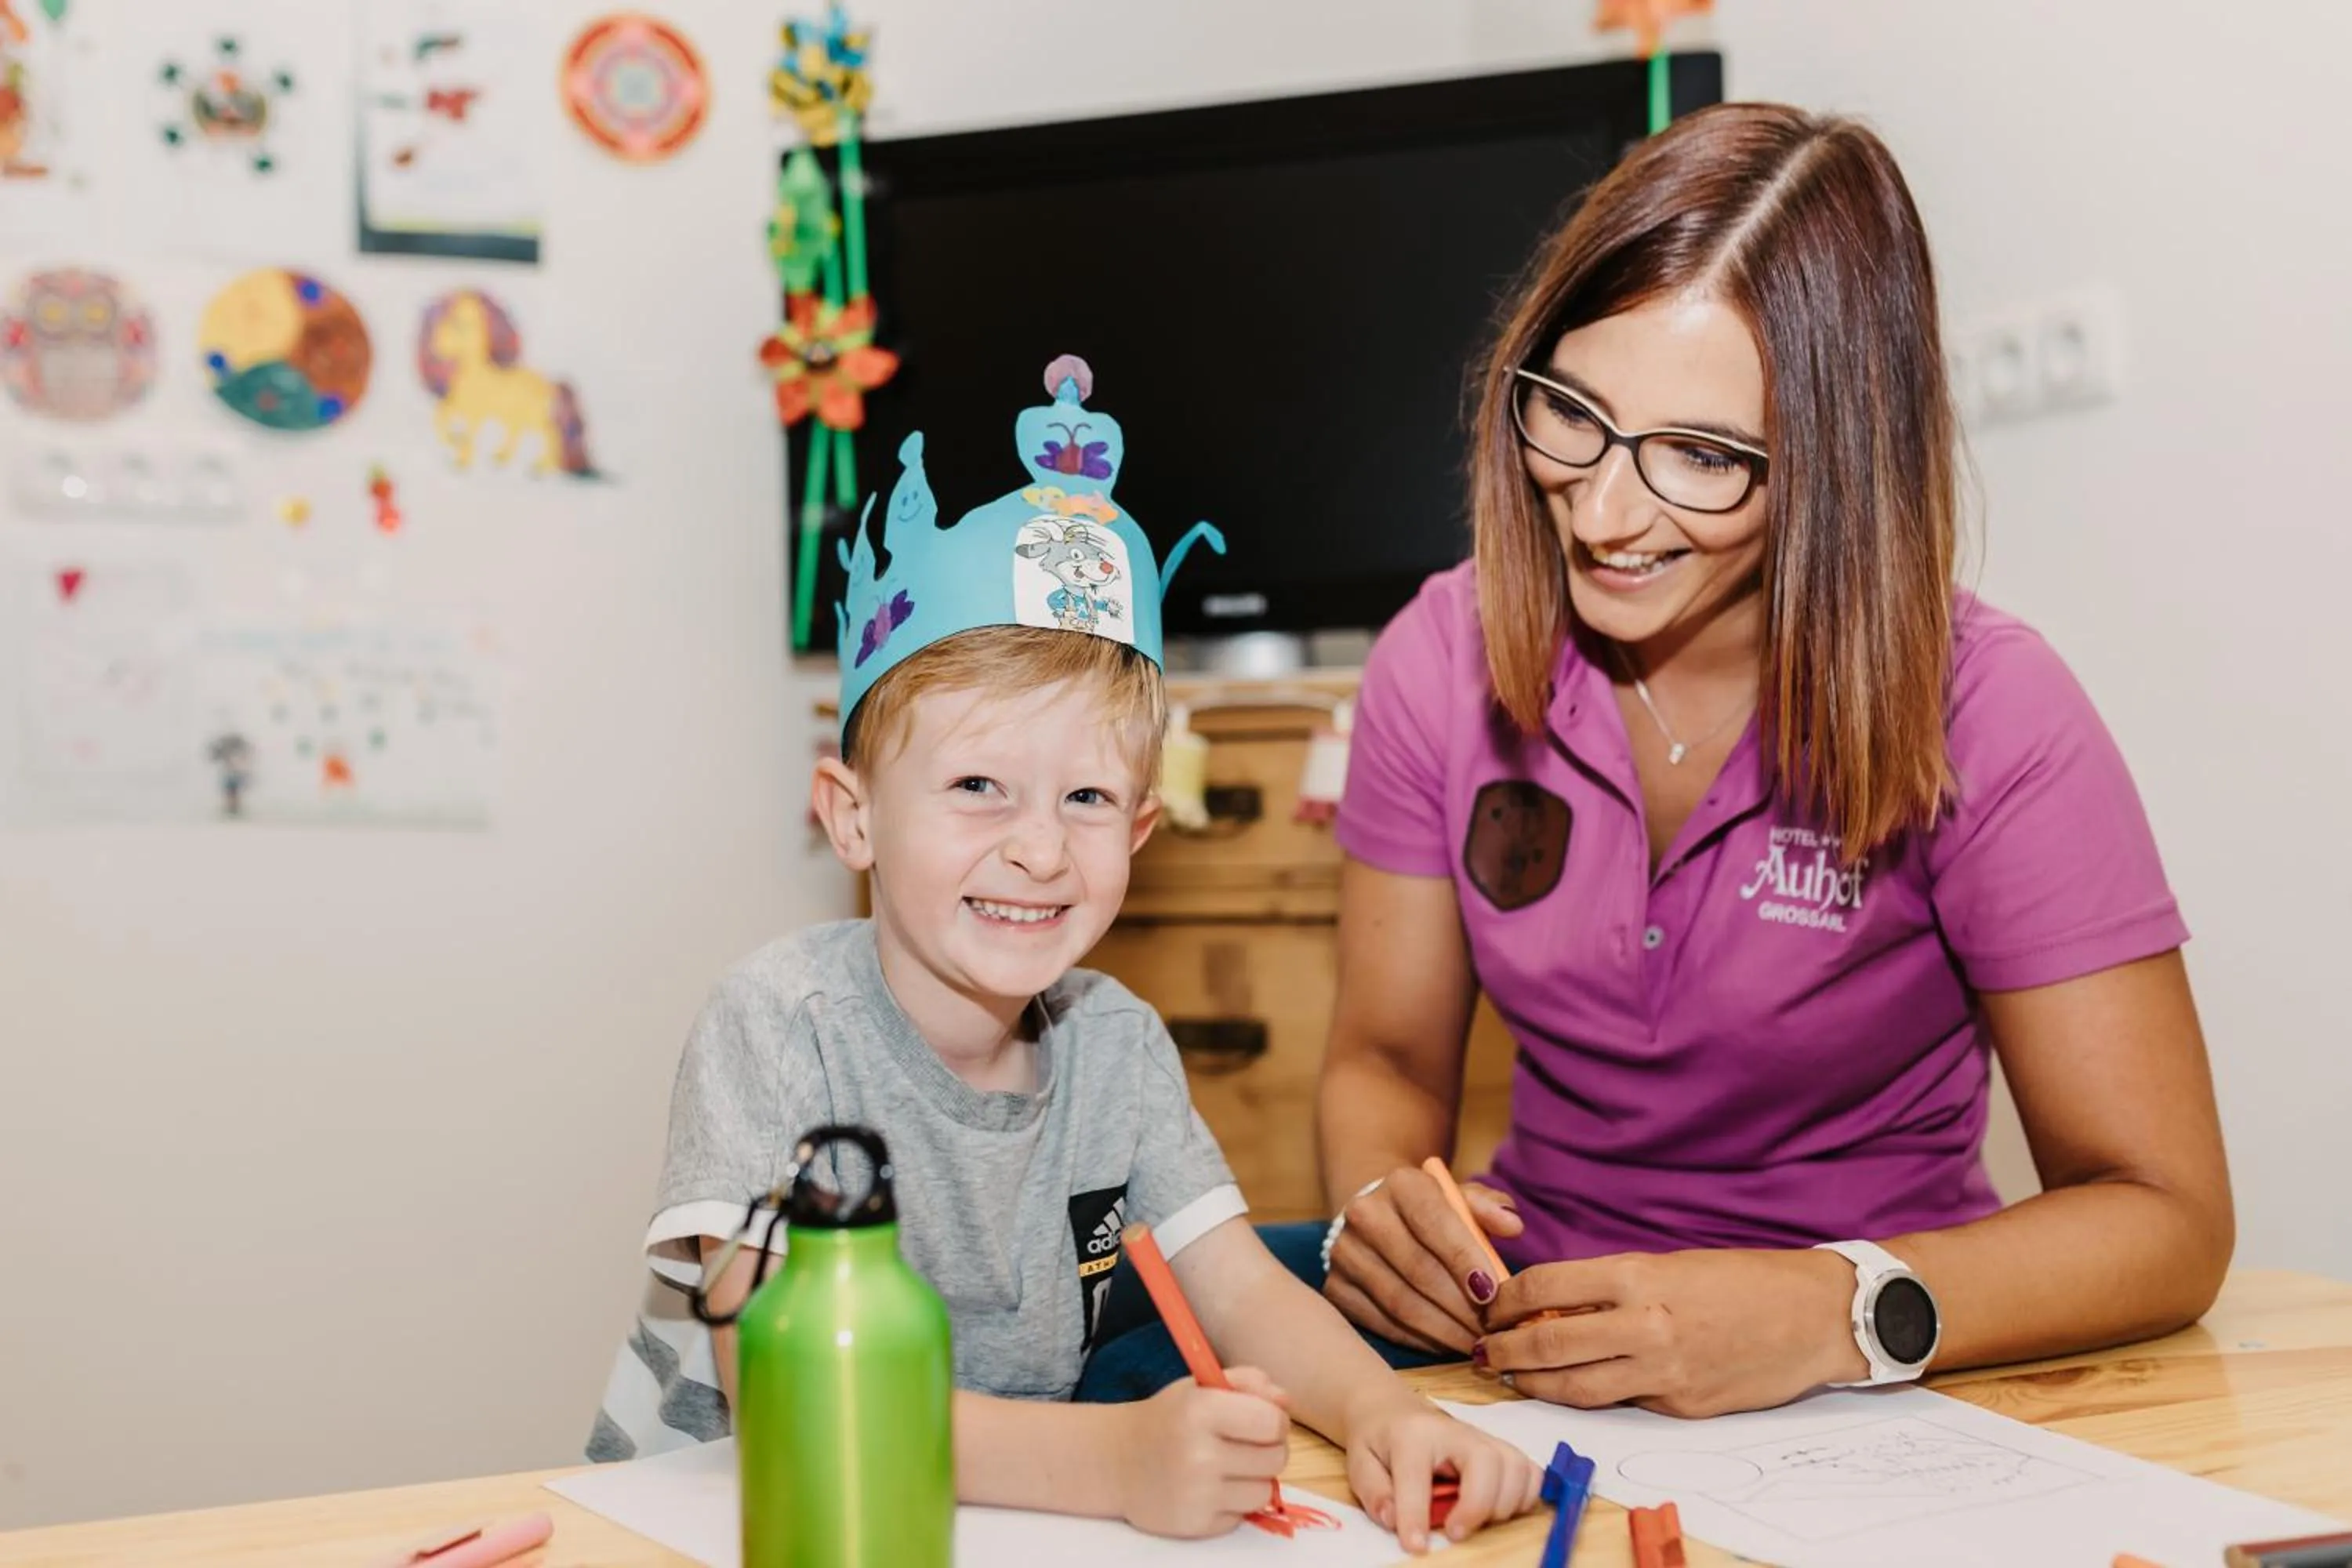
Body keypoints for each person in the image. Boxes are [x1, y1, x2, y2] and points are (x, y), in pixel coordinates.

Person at [1308, 101, 2234, 1417]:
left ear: (1833, 468)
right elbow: (1388, 1061)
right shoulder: (1437, 654)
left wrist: (1828, 1309)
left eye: (1701, 457)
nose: (1605, 513)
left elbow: (2168, 1218)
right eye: (1571, 414)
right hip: (1524, 1349)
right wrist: (1379, 1204)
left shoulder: (1996, 712)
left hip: (1876, 1373)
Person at [589, 358, 1541, 1552]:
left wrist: (1387, 1416)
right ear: (852, 816)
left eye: (1087, 796)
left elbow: (1239, 1287)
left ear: (1142, 830)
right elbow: (783, 1388)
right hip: (734, 1525)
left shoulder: (1116, 1042)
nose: (1039, 849)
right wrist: (1109, 1463)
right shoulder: (782, 1026)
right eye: (978, 785)